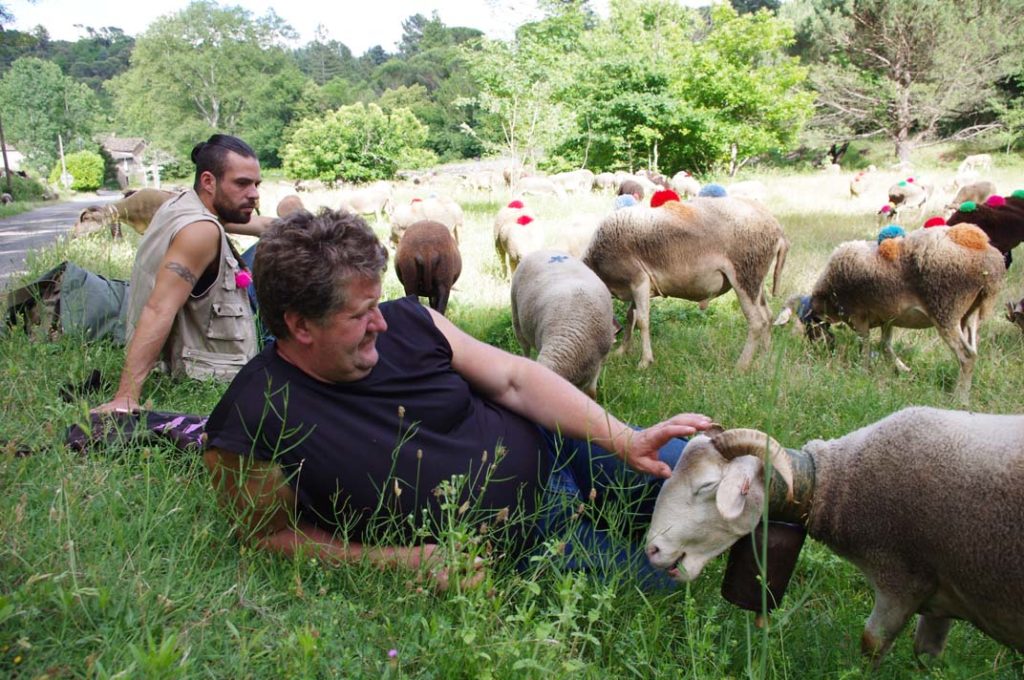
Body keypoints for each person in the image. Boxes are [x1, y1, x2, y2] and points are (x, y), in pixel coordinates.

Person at [202, 209, 713, 589]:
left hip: (563, 447)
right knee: (668, 582)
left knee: (713, 474)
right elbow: (268, 535)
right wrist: (399, 562)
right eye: (360, 315)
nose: (381, 322)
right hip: (527, 540)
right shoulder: (252, 418)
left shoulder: (411, 320)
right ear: (300, 326)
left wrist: (623, 439)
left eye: (377, 304)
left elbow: (515, 378)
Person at [94, 134, 271, 414]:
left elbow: (260, 225)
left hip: (210, 323)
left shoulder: (182, 204)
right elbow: (158, 310)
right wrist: (126, 397)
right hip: (207, 363)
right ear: (209, 182)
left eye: (256, 184)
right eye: (242, 183)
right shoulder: (200, 232)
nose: (254, 194)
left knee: (282, 237)